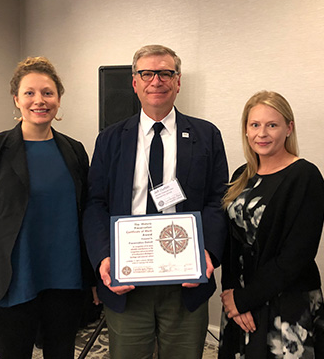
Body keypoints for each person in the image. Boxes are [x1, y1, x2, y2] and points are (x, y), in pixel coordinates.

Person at [83, 44, 229, 359]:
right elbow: (95, 203)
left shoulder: (206, 135)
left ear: (178, 82)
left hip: (185, 279)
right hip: (128, 278)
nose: (156, 81)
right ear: (134, 83)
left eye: (165, 73)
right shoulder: (109, 139)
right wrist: (104, 258)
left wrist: (208, 253)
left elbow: (218, 199)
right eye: (146, 73)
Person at [0, 56, 94, 359]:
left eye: (47, 92)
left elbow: (86, 219)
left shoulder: (75, 151)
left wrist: (92, 280)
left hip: (66, 285)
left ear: (58, 99)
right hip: (13, 286)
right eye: (29, 93)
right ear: (16, 99)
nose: (39, 100)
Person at [219, 91, 324, 358]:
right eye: (255, 125)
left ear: (289, 128)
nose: (262, 133)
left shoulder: (305, 176)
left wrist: (244, 300)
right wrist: (230, 293)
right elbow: (231, 243)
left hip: (286, 303)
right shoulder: (241, 176)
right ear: (245, 130)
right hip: (241, 302)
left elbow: (297, 255)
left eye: (272, 125)